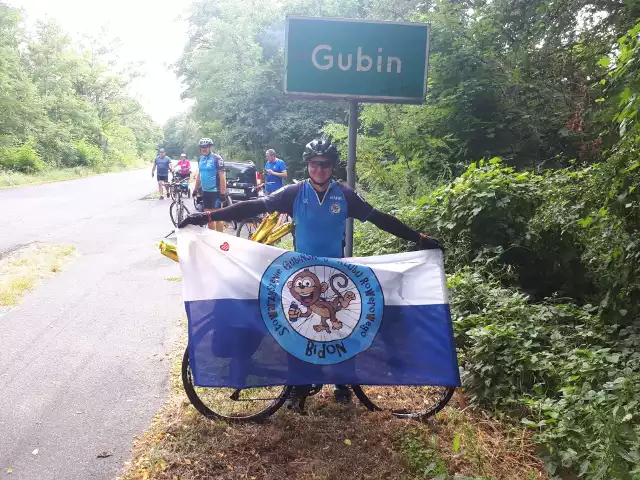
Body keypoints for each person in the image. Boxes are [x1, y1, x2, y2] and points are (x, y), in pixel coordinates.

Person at [178, 138, 442, 407]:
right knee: (297, 331)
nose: (320, 169)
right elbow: (255, 206)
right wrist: (208, 217)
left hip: (337, 274)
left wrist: (418, 238)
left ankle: (342, 384)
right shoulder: (293, 193)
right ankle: (297, 386)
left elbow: (381, 219)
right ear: (307, 166)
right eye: (315, 164)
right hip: (301, 276)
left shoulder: (345, 195)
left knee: (343, 329)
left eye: (325, 164)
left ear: (333, 166)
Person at [193, 138, 227, 232]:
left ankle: (220, 238)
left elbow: (223, 177)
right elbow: (199, 175)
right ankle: (212, 237)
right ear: (200, 148)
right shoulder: (201, 159)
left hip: (216, 192)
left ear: (210, 147)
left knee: (218, 216)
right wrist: (195, 190)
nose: (204, 149)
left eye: (206, 147)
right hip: (205, 192)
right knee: (209, 217)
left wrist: (222, 193)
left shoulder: (217, 159)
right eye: (202, 147)